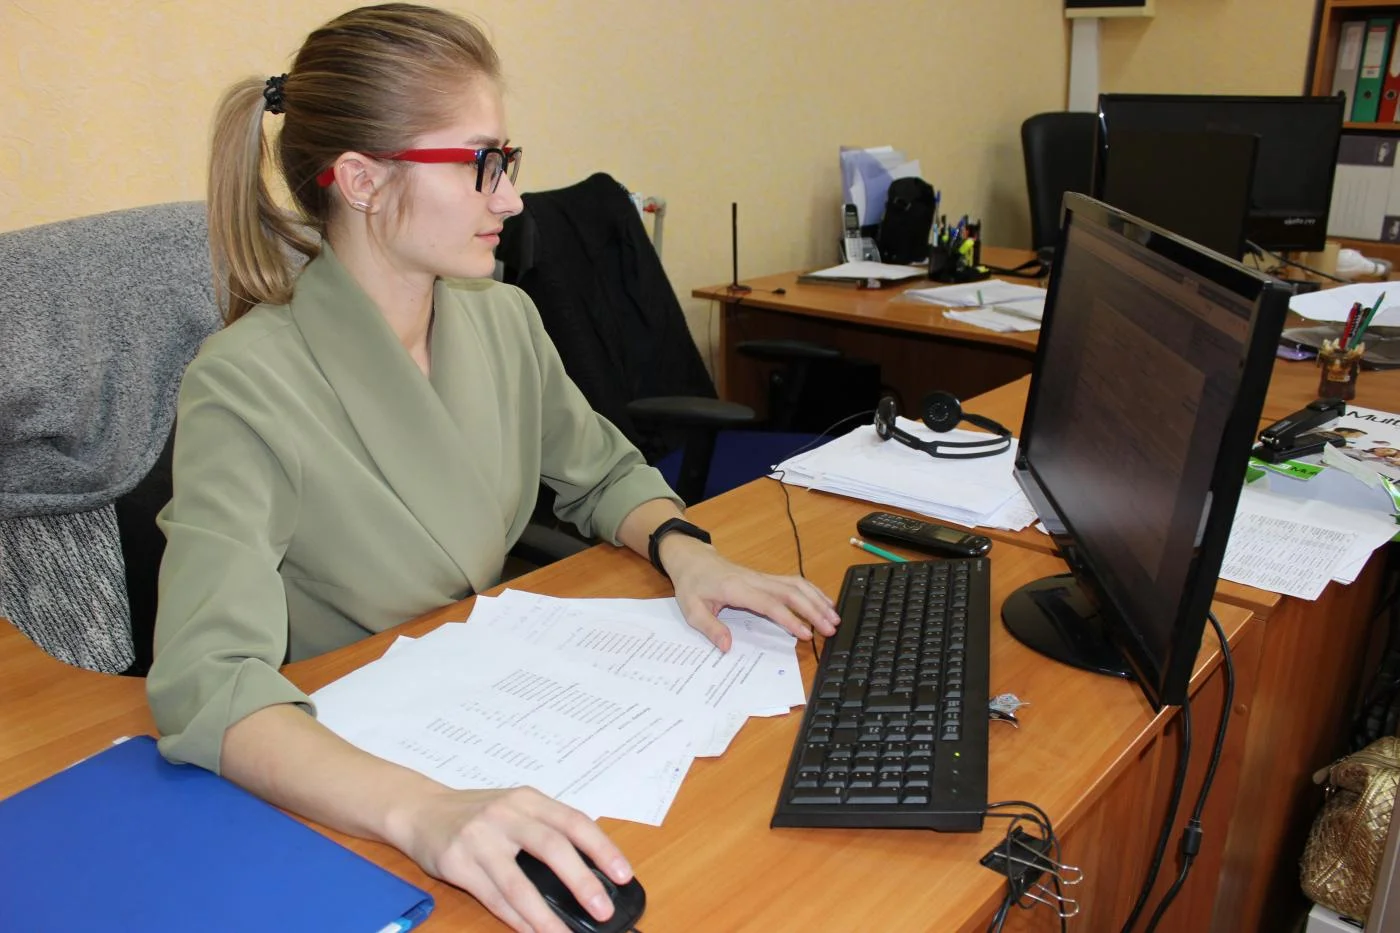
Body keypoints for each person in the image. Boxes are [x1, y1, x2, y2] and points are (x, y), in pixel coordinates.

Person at [145, 6, 839, 932]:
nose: (510, 199)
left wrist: (688, 552)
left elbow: (603, 472)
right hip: (355, 778)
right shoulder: (244, 383)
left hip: (495, 707)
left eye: (506, 160)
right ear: (361, 179)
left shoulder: (500, 319)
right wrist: (424, 814)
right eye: (480, 164)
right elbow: (206, 681)